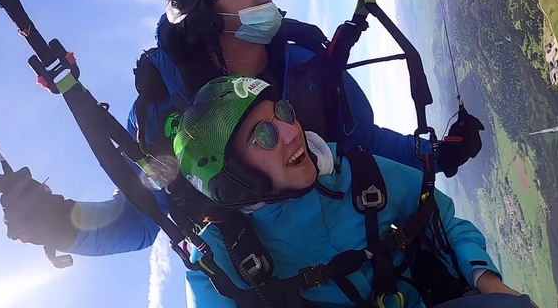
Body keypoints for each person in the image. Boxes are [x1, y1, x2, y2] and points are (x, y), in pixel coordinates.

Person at [0, 0, 484, 260]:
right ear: (204, 21)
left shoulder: (309, 68)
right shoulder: (164, 122)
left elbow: (365, 144)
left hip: (354, 239)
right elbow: (142, 219)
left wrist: (435, 157)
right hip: (278, 271)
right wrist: (55, 221)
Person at [175, 75, 536, 308]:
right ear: (234, 179)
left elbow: (440, 218)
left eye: (283, 113)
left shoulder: (359, 174)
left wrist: (486, 281)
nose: (290, 132)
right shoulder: (221, 266)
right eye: (264, 135)